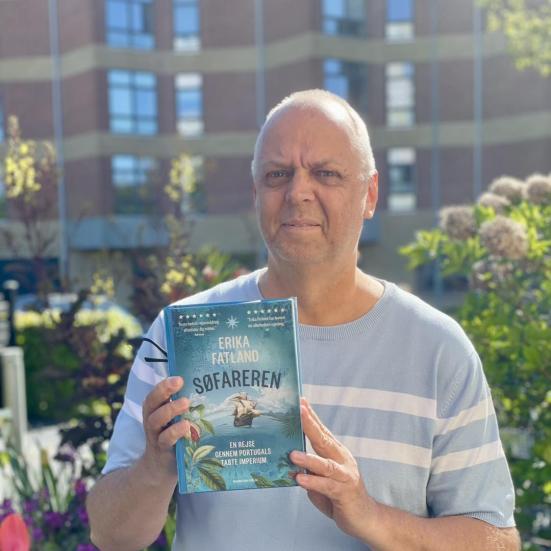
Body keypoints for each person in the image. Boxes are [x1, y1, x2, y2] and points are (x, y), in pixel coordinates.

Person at [87, 90, 520, 551]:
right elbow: (110, 535)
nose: (298, 192)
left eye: (326, 173)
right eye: (277, 174)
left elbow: (497, 539)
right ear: (256, 194)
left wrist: (372, 517)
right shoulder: (182, 334)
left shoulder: (437, 348)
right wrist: (154, 468)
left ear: (370, 194)